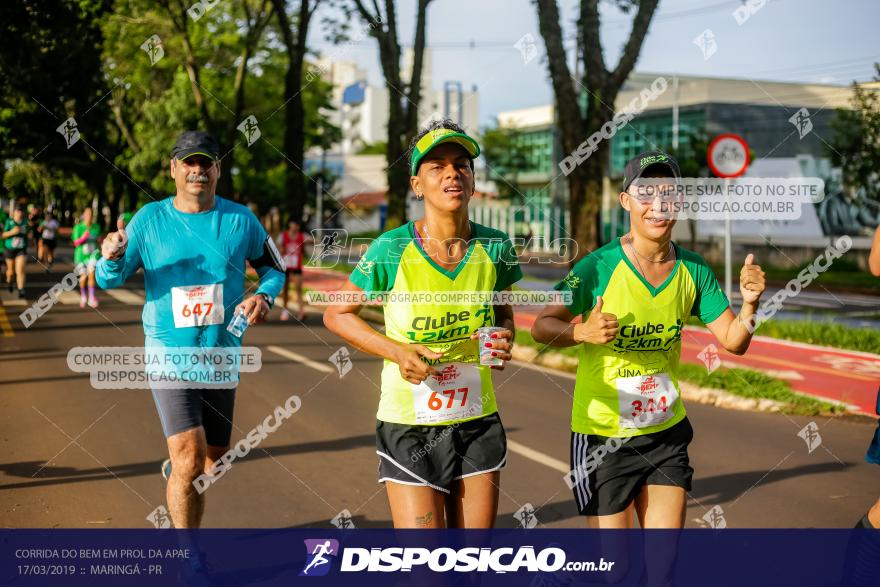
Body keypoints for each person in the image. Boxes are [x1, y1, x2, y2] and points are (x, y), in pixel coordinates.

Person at [532, 151, 766, 532]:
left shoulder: (694, 269)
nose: (658, 205)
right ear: (626, 201)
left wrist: (751, 304)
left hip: (665, 433)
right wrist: (580, 332)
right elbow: (541, 325)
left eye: (669, 194)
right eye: (646, 193)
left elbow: (734, 341)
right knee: (616, 571)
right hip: (602, 436)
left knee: (663, 569)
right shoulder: (597, 266)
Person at [324, 120, 522, 529]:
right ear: (417, 184)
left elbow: (502, 315)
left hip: (475, 417)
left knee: (472, 565)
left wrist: (503, 338)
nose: (453, 173)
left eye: (462, 165)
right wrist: (398, 352)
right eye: (437, 166)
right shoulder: (391, 248)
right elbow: (336, 313)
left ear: (472, 180)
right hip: (409, 425)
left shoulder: (496, 246)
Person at [96, 131, 284, 545]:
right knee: (188, 460)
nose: (198, 170)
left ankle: (179, 470)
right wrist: (108, 255)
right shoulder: (149, 220)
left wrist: (263, 295)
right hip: (168, 355)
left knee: (212, 462)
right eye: (189, 163)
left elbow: (275, 268)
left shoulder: (240, 220)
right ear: (173, 169)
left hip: (221, 356)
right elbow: (107, 277)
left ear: (218, 170)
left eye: (206, 163)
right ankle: (189, 556)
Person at [277, 218, 310, 321]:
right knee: (285, 289)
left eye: (298, 225)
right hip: (285, 266)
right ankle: (285, 310)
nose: (296, 227)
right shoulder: (283, 236)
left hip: (296, 267)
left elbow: (313, 241)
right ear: (290, 224)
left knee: (298, 289)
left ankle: (301, 311)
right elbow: (278, 248)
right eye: (294, 224)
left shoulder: (302, 236)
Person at [71, 207, 102, 308]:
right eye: (87, 214)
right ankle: (83, 296)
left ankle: (91, 297)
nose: (89, 217)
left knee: (91, 274)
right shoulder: (78, 228)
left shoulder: (96, 227)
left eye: (91, 215)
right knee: (83, 278)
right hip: (80, 256)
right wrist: (83, 238)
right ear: (84, 216)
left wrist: (99, 240)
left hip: (92, 256)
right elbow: (75, 243)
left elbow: (99, 241)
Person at [2, 206, 29, 298]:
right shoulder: (9, 222)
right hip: (9, 249)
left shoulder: (25, 222)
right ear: (14, 213)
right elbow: (3, 235)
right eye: (17, 211)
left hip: (21, 249)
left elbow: (29, 234)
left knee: (20, 270)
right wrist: (12, 232)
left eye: (21, 211)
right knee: (10, 272)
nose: (19, 213)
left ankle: (21, 289)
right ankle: (9, 281)